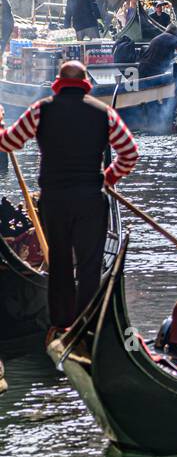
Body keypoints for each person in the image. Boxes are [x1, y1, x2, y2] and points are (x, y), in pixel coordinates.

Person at [0, 60, 139, 337]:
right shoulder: (104, 113)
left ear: (58, 83)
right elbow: (130, 153)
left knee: (60, 263)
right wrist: (109, 178)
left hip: (55, 201)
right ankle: (84, 325)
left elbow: (9, 142)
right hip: (90, 199)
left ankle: (60, 324)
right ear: (86, 83)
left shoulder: (41, 110)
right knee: (89, 265)